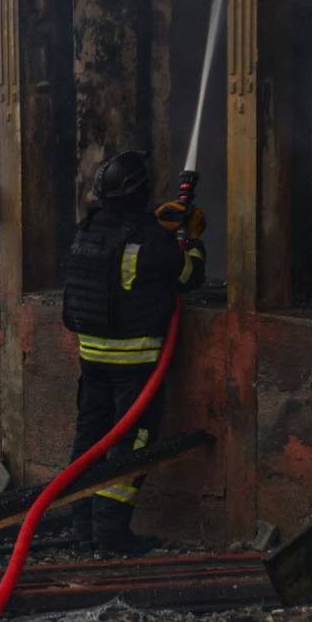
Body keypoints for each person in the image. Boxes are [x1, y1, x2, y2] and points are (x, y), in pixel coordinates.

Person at [61, 150, 206, 556]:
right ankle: (111, 534)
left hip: (92, 357)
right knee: (132, 443)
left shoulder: (87, 229)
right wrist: (191, 239)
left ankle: (82, 526)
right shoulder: (151, 240)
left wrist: (162, 226)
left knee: (90, 437)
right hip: (135, 363)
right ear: (140, 191)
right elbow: (189, 275)